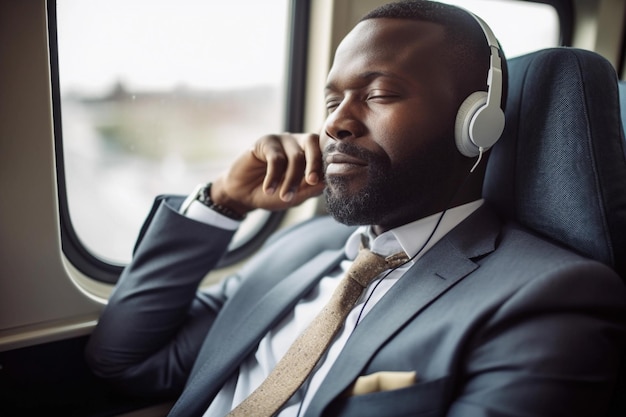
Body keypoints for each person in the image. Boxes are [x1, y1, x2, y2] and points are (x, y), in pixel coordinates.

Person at [85, 1, 626, 416]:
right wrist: (222, 201)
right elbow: (123, 364)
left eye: (380, 94)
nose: (336, 124)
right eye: (331, 101)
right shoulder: (296, 247)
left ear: (475, 121)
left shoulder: (550, 296)